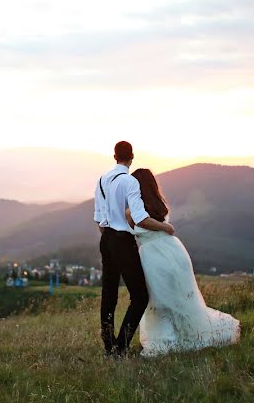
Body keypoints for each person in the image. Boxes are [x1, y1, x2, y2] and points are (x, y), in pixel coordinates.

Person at [127, 168, 241, 356]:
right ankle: (182, 334)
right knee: (176, 296)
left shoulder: (133, 210)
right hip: (173, 251)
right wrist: (166, 226)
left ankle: (164, 339)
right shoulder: (160, 203)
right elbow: (158, 225)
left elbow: (137, 221)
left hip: (153, 256)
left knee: (158, 300)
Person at [94, 141, 176, 357]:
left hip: (107, 239)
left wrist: (109, 240)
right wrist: (165, 227)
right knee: (140, 296)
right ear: (132, 157)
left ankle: (109, 346)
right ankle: (120, 347)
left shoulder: (102, 180)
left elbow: (99, 219)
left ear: (114, 156)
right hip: (122, 240)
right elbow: (140, 218)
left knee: (108, 293)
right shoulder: (130, 182)